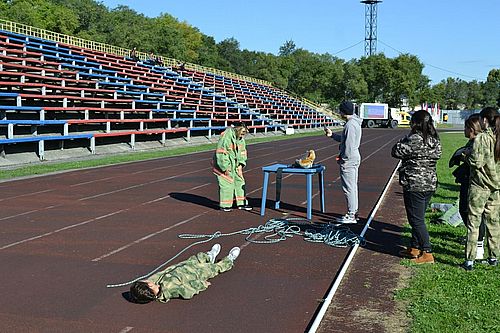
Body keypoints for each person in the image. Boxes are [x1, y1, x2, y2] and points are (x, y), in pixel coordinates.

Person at [392, 110, 442, 264]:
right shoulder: (435, 140)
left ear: (415, 123)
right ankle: (414, 247)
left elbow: (395, 151)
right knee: (418, 217)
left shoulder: (414, 139)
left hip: (415, 183)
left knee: (416, 219)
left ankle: (427, 252)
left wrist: (405, 138)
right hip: (429, 183)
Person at [129, 244, 241, 303]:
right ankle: (229, 260)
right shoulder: (170, 290)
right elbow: (188, 292)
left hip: (184, 266)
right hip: (196, 274)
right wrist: (202, 284)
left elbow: (152, 279)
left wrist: (137, 291)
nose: (148, 280)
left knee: (196, 258)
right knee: (214, 268)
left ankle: (209, 256)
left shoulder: (155, 281)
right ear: (150, 287)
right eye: (147, 282)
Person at [461, 107, 500, 270]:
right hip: (496, 187)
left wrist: (464, 155)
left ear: (484, 120)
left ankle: (469, 260)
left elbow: (477, 162)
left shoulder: (482, 138)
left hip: (480, 186)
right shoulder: (498, 136)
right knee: (494, 223)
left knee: (474, 223)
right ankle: (494, 257)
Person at [449, 114, 486, 259]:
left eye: (466, 127)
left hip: (477, 184)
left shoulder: (480, 143)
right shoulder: (472, 142)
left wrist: (464, 157)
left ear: (472, 129)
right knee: (465, 210)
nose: (464, 130)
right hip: (468, 181)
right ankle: (475, 240)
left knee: (475, 214)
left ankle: (479, 245)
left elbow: (477, 163)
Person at [324, 101, 362, 224]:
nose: (339, 112)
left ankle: (351, 215)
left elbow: (349, 146)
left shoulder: (350, 125)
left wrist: (343, 159)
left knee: (349, 188)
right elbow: (345, 140)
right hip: (353, 157)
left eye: (340, 110)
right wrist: (332, 135)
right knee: (352, 187)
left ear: (343, 111)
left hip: (349, 159)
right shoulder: (353, 122)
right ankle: (353, 212)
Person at [212, 122, 252, 212]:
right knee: (227, 183)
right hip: (223, 163)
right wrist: (225, 167)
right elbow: (221, 152)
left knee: (240, 181)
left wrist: (241, 163)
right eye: (242, 132)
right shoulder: (226, 136)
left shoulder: (240, 138)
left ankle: (241, 203)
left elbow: (242, 151)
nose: (244, 134)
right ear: (237, 130)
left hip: (235, 163)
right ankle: (225, 204)